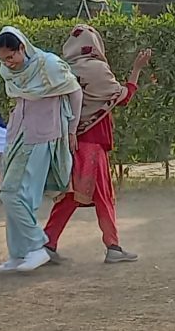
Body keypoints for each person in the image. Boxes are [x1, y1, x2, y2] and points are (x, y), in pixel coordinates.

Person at [45, 25, 151, 265]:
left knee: (70, 195)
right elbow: (123, 97)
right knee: (104, 196)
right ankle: (113, 246)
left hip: (70, 142)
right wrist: (136, 69)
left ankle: (48, 243)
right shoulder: (98, 69)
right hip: (93, 144)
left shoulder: (63, 70)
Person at [0, 27, 77, 274]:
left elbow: (75, 92)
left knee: (11, 193)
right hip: (18, 133)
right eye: (3, 59)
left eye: (11, 57)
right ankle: (18, 254)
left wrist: (72, 130)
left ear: (22, 48)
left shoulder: (49, 64)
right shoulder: (8, 71)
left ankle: (37, 246)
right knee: (17, 197)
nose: (8, 63)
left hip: (42, 135)